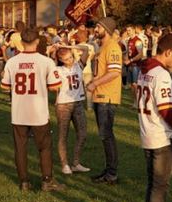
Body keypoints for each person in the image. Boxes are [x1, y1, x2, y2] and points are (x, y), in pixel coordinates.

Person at [136, 33, 172, 202]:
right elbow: (165, 108)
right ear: (168, 52)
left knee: (153, 183)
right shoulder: (161, 74)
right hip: (161, 135)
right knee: (160, 186)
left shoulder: (144, 70)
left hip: (147, 132)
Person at [1, 28, 62, 192]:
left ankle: (24, 181)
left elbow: (5, 86)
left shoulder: (12, 62)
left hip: (19, 110)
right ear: (37, 41)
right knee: (44, 146)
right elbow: (54, 86)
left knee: (20, 147)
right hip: (38, 110)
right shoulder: (45, 61)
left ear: (21, 42)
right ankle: (47, 180)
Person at [87, 18, 124, 184]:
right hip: (100, 95)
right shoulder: (103, 46)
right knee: (104, 135)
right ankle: (109, 170)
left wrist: (95, 83)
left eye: (98, 27)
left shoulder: (112, 47)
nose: (95, 29)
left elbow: (115, 72)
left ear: (106, 29)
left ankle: (112, 174)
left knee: (106, 135)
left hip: (107, 97)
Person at [52, 44, 89, 176]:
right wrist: (54, 51)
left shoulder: (78, 66)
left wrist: (65, 45)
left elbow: (86, 49)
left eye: (71, 57)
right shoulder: (57, 69)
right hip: (63, 104)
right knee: (63, 135)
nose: (70, 60)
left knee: (82, 134)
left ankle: (76, 163)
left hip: (78, 103)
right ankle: (65, 165)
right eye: (66, 59)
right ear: (61, 60)